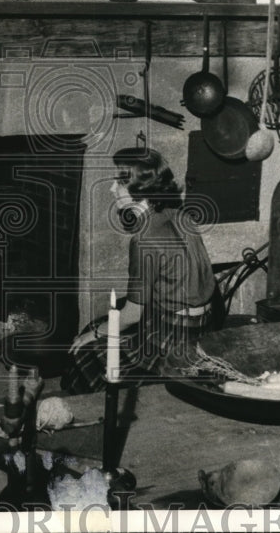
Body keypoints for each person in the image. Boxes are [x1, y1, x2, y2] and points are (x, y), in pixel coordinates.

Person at [62, 147, 218, 393]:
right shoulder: (180, 215)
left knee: (86, 352)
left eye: (120, 182)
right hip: (203, 328)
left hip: (171, 340)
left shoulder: (144, 240)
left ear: (139, 189)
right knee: (104, 323)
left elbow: (133, 315)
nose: (113, 188)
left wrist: (94, 334)